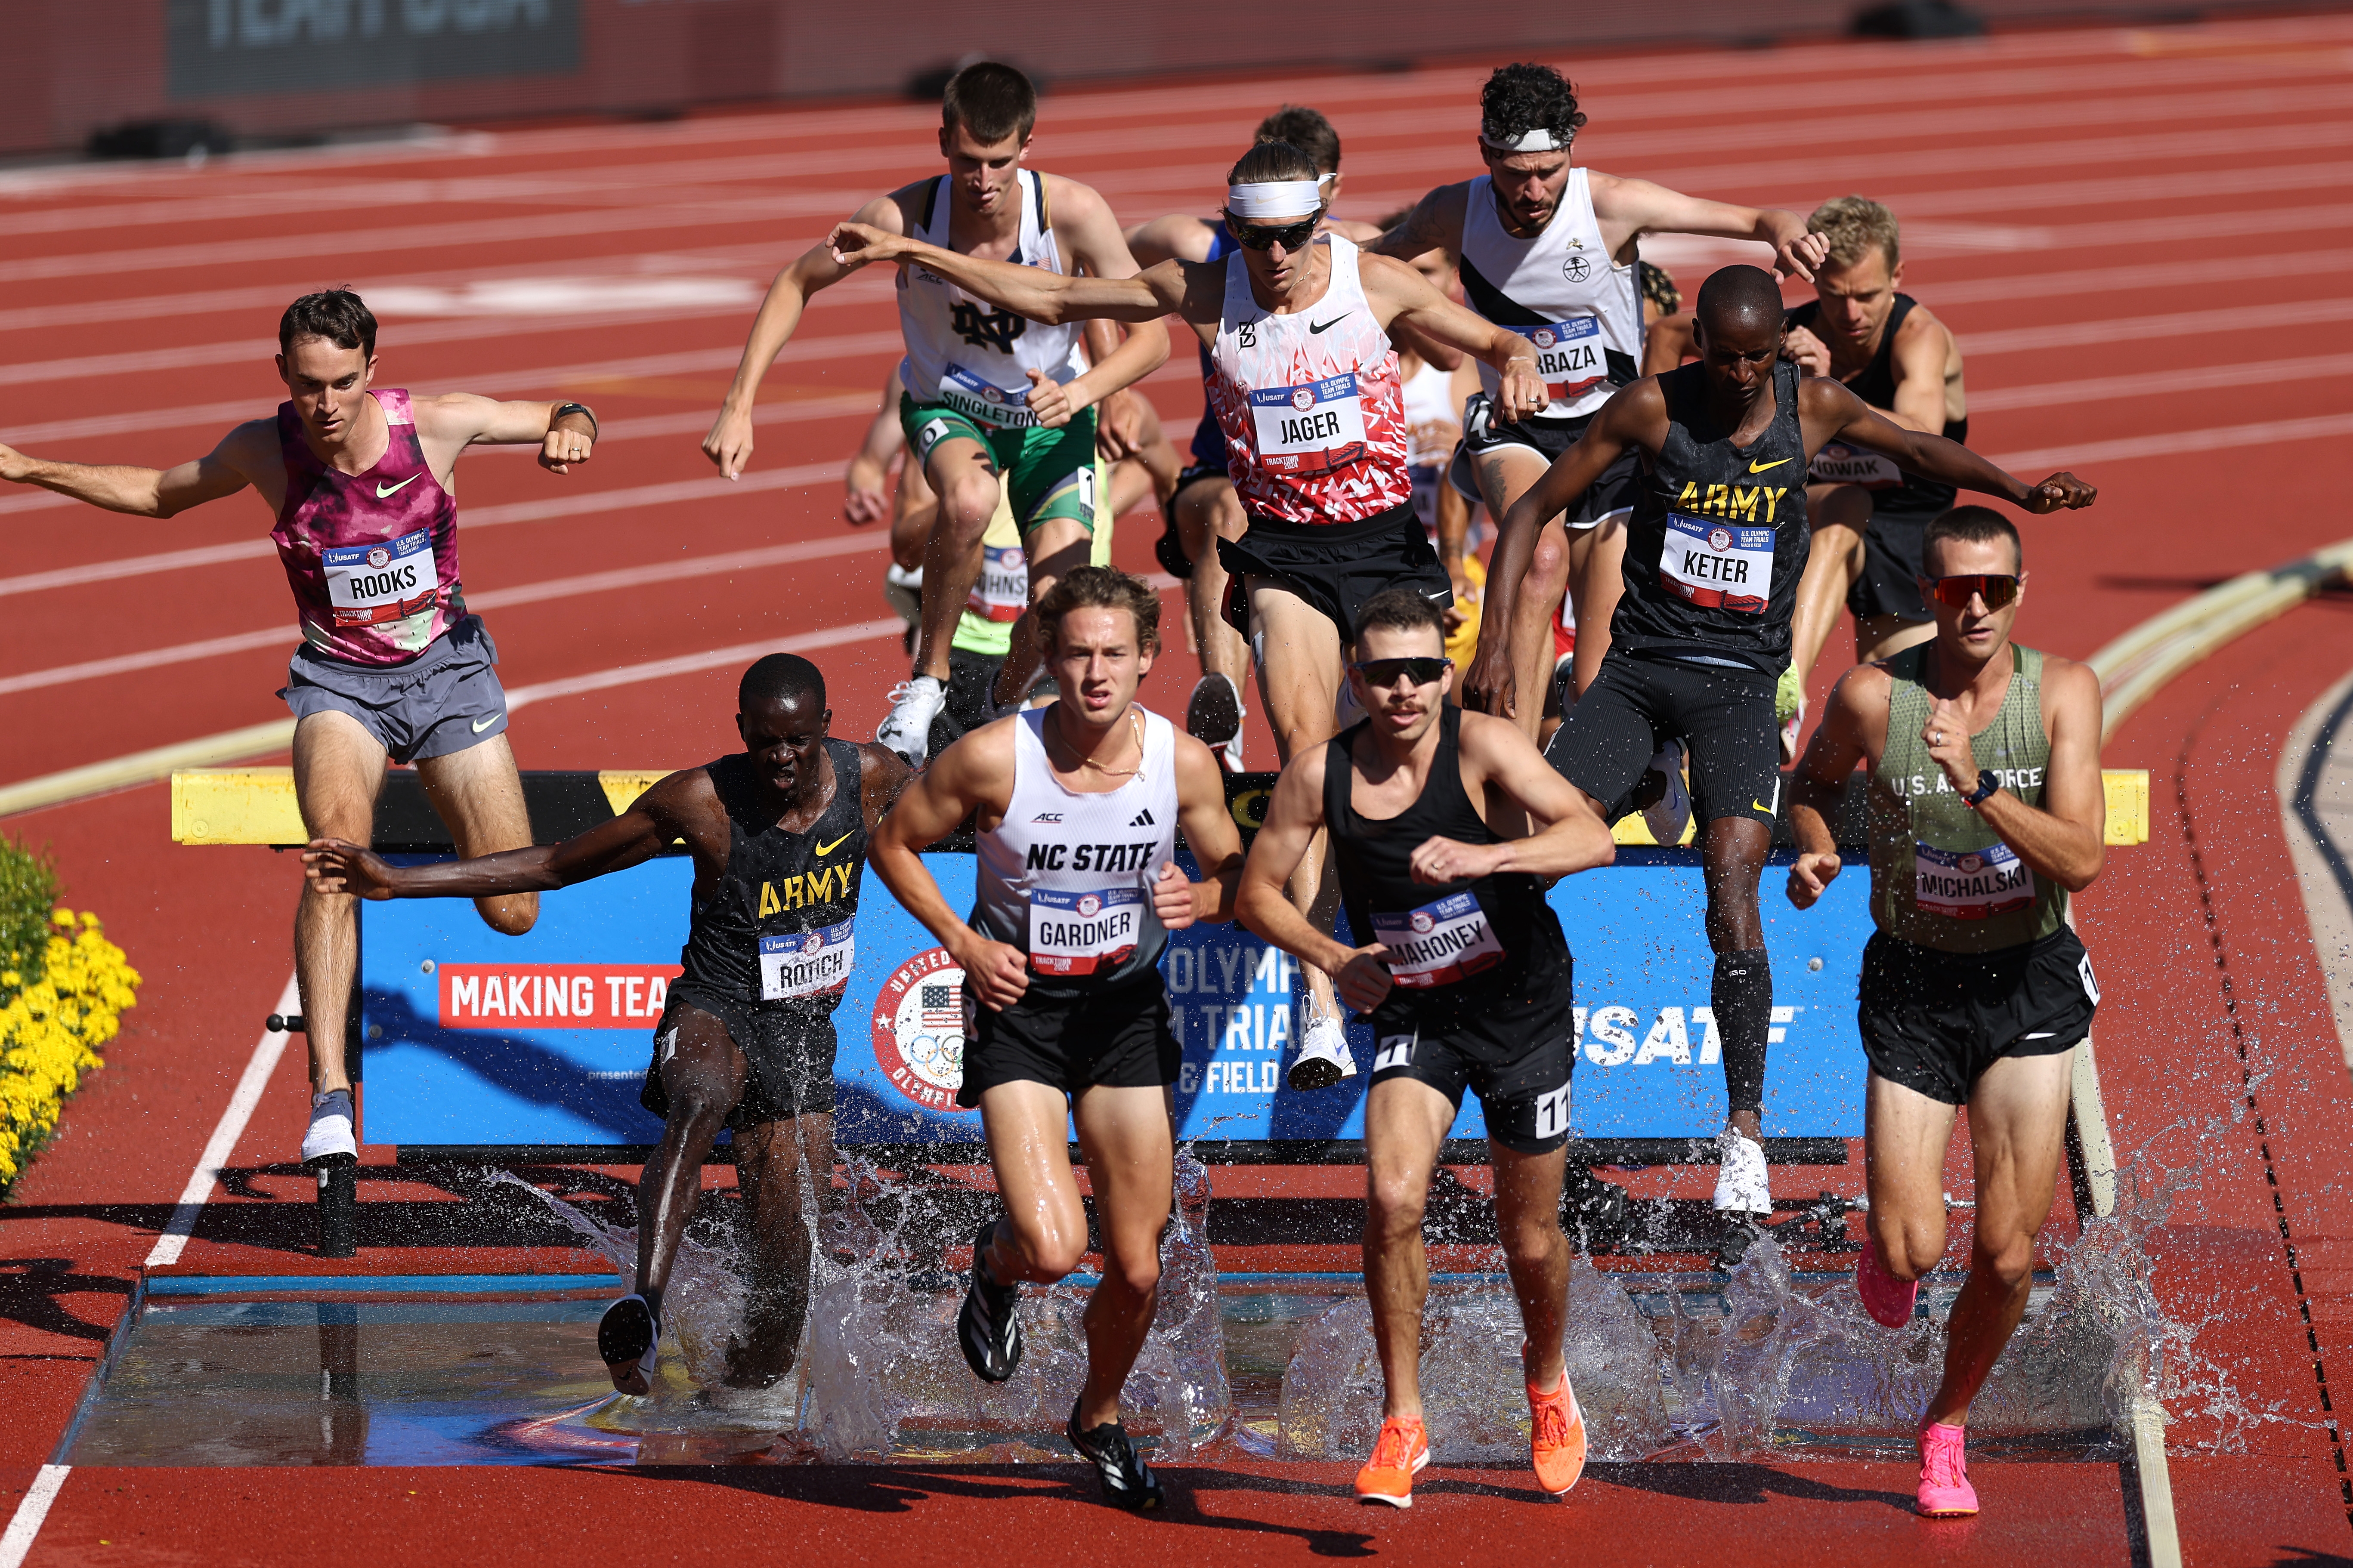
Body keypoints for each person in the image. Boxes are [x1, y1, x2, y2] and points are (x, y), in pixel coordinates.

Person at [831, 139, 1546, 1093]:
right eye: (1254, 239)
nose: (1274, 259)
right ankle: (1318, 1003)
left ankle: (1469, 964)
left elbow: (1496, 340)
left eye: (1290, 238)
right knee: (1307, 757)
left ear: (1318, 224)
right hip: (1284, 552)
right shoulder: (1209, 291)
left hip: (1383, 548)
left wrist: (1520, 360)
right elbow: (1051, 300)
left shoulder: (1373, 285)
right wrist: (919, 256)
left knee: (1403, 758)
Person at [1488, 265, 2095, 1222]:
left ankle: (1743, 1134)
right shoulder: (1650, 408)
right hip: (1643, 668)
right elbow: (1530, 508)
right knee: (1524, 860)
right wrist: (1492, 644)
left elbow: (1916, 450)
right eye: (1723, 359)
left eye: (1756, 358)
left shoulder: (1808, 407)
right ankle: (1512, 1076)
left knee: (1731, 889)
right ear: (1697, 347)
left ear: (1778, 348)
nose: (1739, 377)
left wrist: (2018, 489)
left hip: (1737, 685)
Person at [0, 289, 597, 1171]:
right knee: (332, 854)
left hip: (448, 673)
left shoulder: (435, 426)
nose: (326, 406)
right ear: (283, 373)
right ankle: (329, 1098)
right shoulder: (263, 448)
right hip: (340, 685)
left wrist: (574, 425)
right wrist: (24, 467)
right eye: (309, 384)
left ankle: (390, 880)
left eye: (344, 383)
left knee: (513, 911)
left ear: (372, 372)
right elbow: (162, 494)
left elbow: (561, 408)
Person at [303, 654, 909, 1395]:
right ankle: (643, 1312)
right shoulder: (702, 802)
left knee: (786, 1290)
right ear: (741, 730)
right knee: (701, 1097)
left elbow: (971, 812)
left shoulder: (874, 777)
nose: (781, 760)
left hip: (801, 1032)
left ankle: (738, 1395)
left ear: (826, 729)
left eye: (798, 743)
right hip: (714, 1005)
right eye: (765, 743)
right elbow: (558, 864)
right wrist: (399, 882)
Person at [866, 566, 1243, 1509]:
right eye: (1075, 653)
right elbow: (892, 840)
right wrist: (961, 942)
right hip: (1021, 1012)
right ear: (1050, 657)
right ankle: (997, 1270)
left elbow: (1250, 877)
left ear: (1150, 659)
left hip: (1123, 1015)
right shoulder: (997, 757)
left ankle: (1099, 1416)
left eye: (1115, 653)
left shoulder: (1182, 764)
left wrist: (1205, 896)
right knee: (1048, 1243)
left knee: (1140, 1258)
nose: (1095, 673)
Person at [1236, 588, 1614, 1506]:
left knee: (1527, 1239)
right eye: (1381, 673)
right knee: (1393, 1196)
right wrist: (1334, 958)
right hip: (1416, 1011)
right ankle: (1404, 1418)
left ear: (1444, 676)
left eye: (1418, 672)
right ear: (1355, 680)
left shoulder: (1480, 745)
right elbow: (1256, 894)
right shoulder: (1321, 774)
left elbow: (1591, 836)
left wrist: (1487, 857)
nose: (1401, 689)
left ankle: (1548, 1377)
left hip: (1522, 1009)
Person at [703, 61, 1169, 765]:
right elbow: (797, 279)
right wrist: (739, 406)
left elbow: (1155, 333)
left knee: (1060, 608)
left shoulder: (1071, 213)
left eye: (1000, 162)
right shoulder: (902, 217)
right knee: (970, 498)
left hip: (1050, 420)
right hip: (953, 408)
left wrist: (1083, 393)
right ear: (942, 140)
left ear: (1029, 146)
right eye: (968, 161)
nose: (983, 181)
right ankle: (927, 683)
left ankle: (1004, 703)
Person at [1784, 506, 2105, 1517]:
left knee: (2009, 1251)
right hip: (1916, 982)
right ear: (1927, 595)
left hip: (2026, 983)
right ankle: (1893, 1258)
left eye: (1994, 589)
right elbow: (1812, 786)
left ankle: (1946, 1424)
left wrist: (1977, 783)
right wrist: (1811, 845)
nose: (1975, 606)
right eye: (1956, 588)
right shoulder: (1875, 696)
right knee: (1908, 1246)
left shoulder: (2060, 693)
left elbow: (2082, 859)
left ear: (2021, 590)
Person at [1374, 62, 1830, 728]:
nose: (1533, 190)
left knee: (1597, 677)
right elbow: (1378, 260)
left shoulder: (1612, 204)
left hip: (1611, 437)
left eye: (1549, 170)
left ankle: (1621, 775)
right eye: (1514, 172)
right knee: (1542, 555)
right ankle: (1509, 765)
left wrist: (1788, 233)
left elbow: (1761, 217)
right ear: (1485, 156)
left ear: (1571, 153)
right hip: (1516, 430)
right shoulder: (1455, 210)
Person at [1124, 105, 1382, 771]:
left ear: (1332, 189)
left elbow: (1440, 336)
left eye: (1304, 198)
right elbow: (1099, 262)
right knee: (1230, 513)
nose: (1278, 242)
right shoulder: (1203, 250)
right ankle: (1225, 728)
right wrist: (1114, 367)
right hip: (1226, 477)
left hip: (1337, 497)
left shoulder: (1360, 263)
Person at [1780, 197, 1970, 759]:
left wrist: (1830, 389)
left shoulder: (1919, 338)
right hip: (1818, 521)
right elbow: (1676, 335)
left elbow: (1922, 436)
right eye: (1835, 295)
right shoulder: (1791, 337)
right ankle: (1781, 696)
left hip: (1911, 536)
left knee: (1901, 732)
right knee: (1844, 504)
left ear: (1897, 277)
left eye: (1867, 295)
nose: (1851, 314)